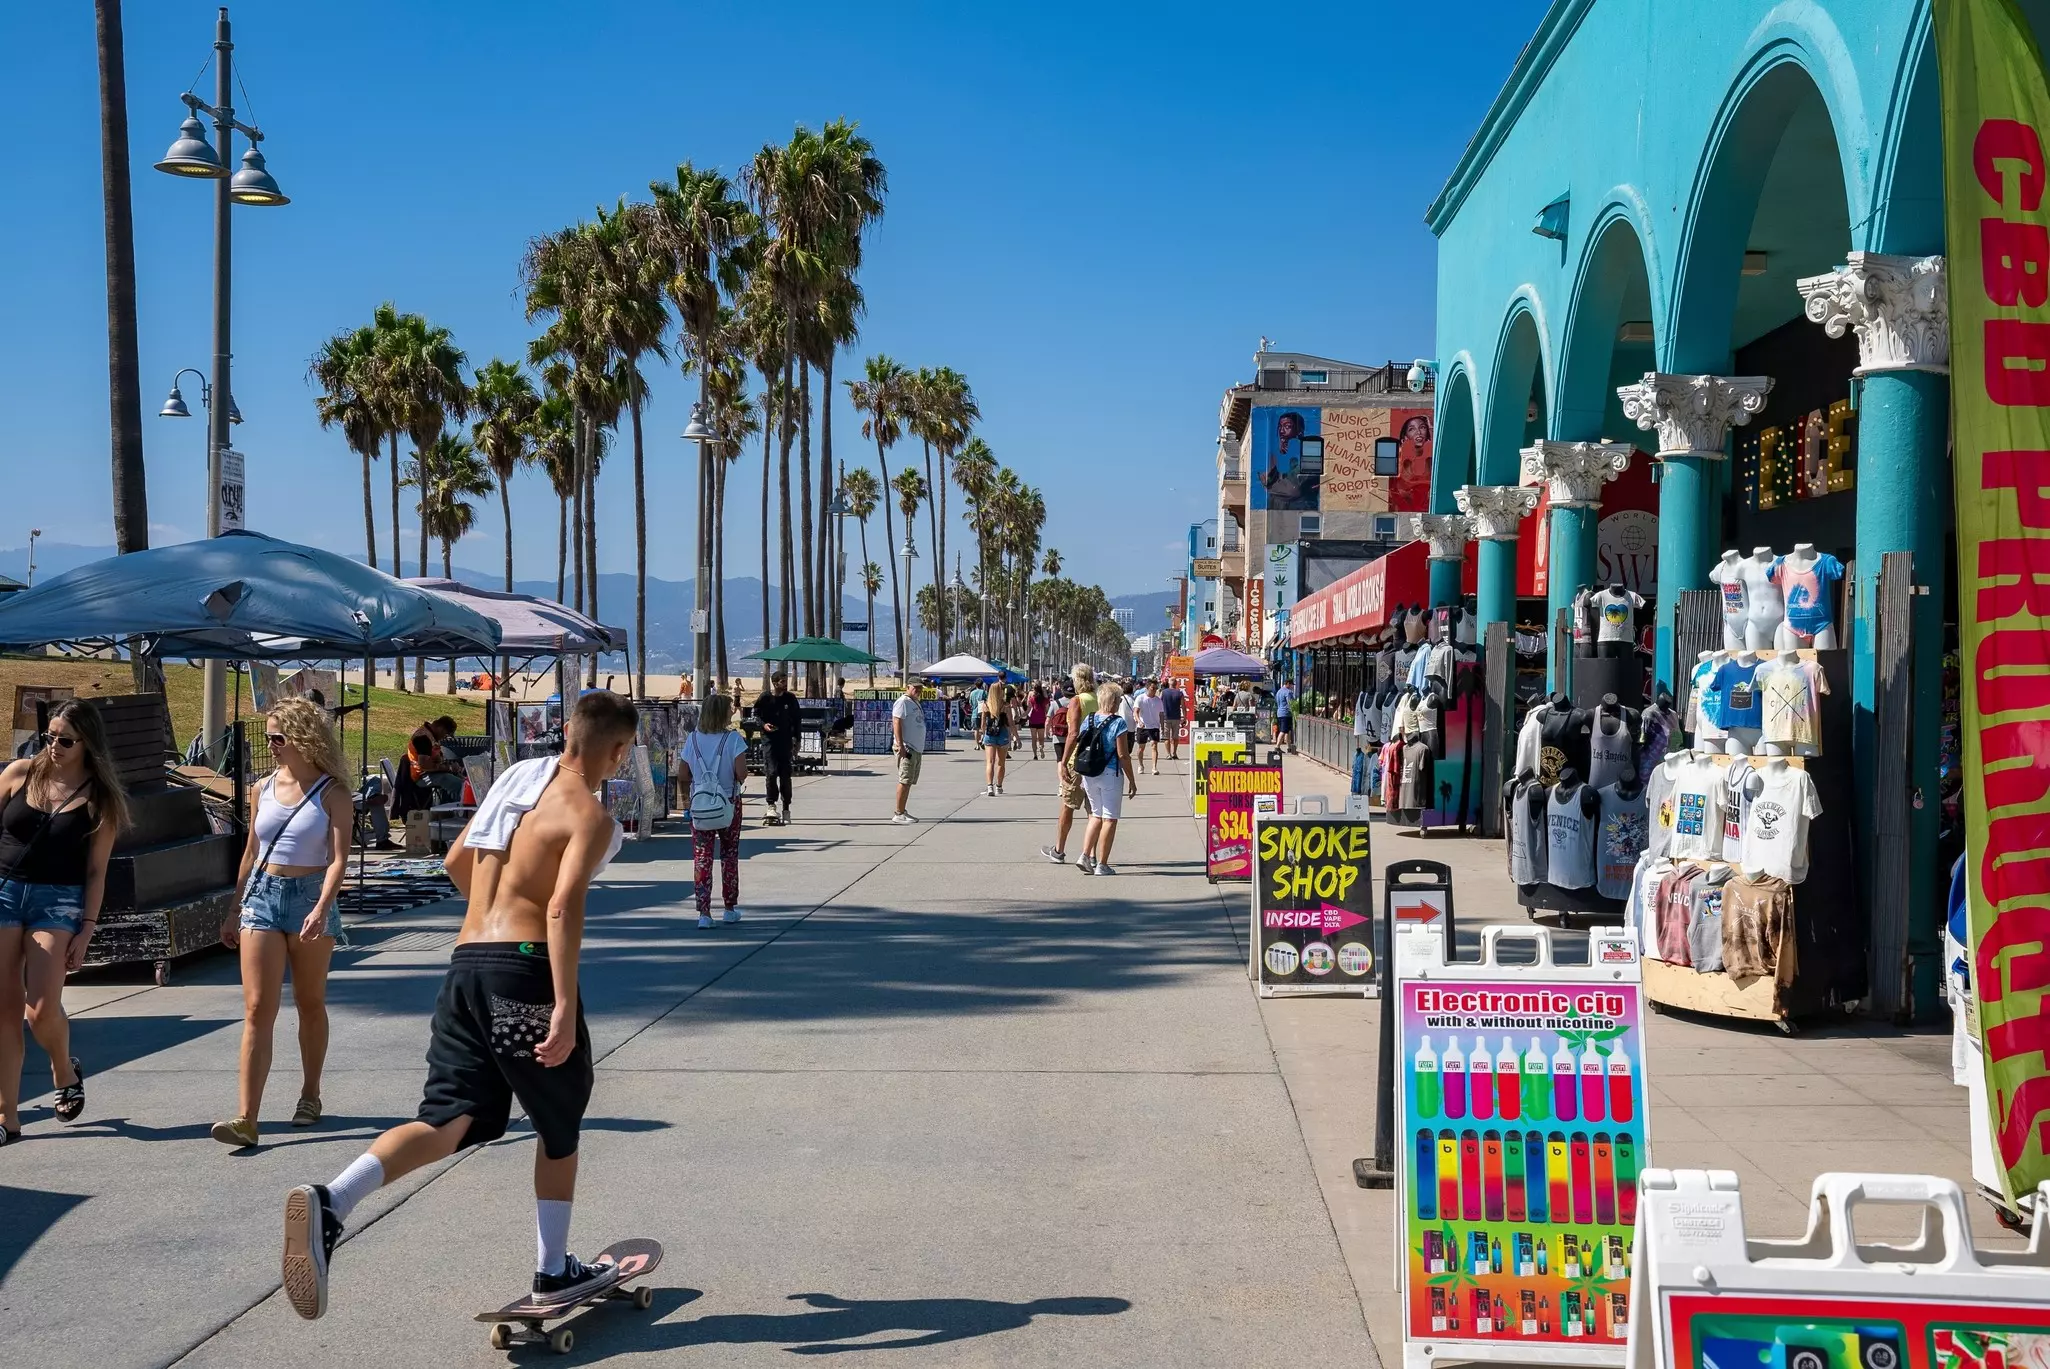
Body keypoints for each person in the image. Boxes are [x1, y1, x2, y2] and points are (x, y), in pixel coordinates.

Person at [282, 691, 637, 1321]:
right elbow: (560, 909)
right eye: (625, 753)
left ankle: (333, 1198)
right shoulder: (591, 814)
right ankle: (553, 1270)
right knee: (560, 1119)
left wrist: (494, 923)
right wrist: (559, 1003)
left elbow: (453, 862)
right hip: (524, 971)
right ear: (615, 750)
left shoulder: (515, 783)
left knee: (451, 1118)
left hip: (467, 964)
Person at [213, 699, 355, 1147]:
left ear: (303, 739)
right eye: (270, 736)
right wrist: (235, 907)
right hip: (262, 899)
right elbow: (252, 851)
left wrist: (321, 906)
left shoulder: (333, 792)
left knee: (310, 1002)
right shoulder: (262, 788)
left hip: (311, 897)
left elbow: (338, 860)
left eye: (278, 737)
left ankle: (310, 1093)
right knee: (257, 1009)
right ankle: (246, 1118)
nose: (271, 745)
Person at [0, 700, 127, 1141]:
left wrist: (86, 930)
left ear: (87, 743)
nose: (54, 746)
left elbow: (96, 872)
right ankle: (7, 1117)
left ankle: (62, 1068)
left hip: (59, 901)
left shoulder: (100, 798)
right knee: (4, 1009)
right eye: (49, 737)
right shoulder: (19, 774)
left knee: (38, 1010)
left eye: (65, 740)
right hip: (4, 891)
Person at [679, 693, 750, 930]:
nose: (733, 711)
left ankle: (704, 912)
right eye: (730, 708)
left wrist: (686, 801)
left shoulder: (693, 740)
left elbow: (682, 775)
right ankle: (729, 907)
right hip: (728, 802)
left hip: (700, 805)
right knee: (729, 855)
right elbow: (741, 773)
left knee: (702, 857)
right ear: (722, 713)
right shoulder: (733, 739)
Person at [1074, 682, 1137, 876]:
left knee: (1095, 814)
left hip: (1090, 772)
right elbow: (1123, 754)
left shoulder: (1089, 720)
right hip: (1110, 773)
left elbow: (1080, 743)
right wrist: (1132, 780)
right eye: (1118, 699)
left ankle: (1085, 855)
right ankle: (1102, 863)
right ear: (1114, 701)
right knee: (1110, 818)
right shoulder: (1118, 723)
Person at [1040, 665, 1098, 865]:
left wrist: (1063, 761)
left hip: (1078, 759)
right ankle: (1091, 853)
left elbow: (1073, 733)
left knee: (1068, 805)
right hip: (1097, 761)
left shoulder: (1077, 701)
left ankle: (1059, 850)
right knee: (1094, 809)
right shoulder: (1099, 699)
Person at [753, 671, 802, 826]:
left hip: (786, 741)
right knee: (771, 773)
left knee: (786, 776)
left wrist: (798, 740)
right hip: (769, 741)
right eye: (782, 681)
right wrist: (763, 725)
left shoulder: (791, 699)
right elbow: (756, 715)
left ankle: (786, 806)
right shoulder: (765, 698)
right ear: (774, 683)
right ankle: (771, 805)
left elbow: (797, 720)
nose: (785, 684)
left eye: (785, 681)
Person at [891, 679, 925, 824]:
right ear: (907, 687)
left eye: (920, 688)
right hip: (907, 747)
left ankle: (903, 810)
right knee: (904, 780)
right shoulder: (903, 702)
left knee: (909, 780)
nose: (918, 690)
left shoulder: (914, 702)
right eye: (915, 688)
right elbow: (896, 721)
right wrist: (900, 745)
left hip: (916, 747)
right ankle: (898, 813)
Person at [979, 682, 1013, 797]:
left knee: (990, 762)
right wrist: (1015, 737)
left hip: (990, 734)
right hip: (1002, 734)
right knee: (1001, 763)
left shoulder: (985, 705)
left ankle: (990, 787)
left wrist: (983, 733)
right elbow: (1010, 723)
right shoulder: (1005, 705)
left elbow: (983, 723)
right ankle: (999, 786)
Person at [1133, 681, 1166, 776]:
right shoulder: (1140, 698)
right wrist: (1139, 721)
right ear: (1147, 688)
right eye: (1153, 688)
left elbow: (1161, 714)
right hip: (1142, 726)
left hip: (1154, 726)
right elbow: (1136, 712)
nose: (1155, 690)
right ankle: (1140, 765)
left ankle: (1154, 767)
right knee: (1141, 748)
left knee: (1154, 745)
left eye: (1156, 688)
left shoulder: (1158, 700)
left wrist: (1162, 726)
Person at [1160, 676, 1185, 761]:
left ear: (1168, 683)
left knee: (1166, 737)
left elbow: (1159, 704)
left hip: (1166, 717)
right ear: (1176, 683)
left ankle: (1168, 754)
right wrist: (1184, 717)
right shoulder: (1180, 693)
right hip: (1176, 717)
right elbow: (1183, 706)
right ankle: (1174, 753)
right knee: (1175, 737)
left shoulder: (1163, 692)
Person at [1026, 685, 1050, 760]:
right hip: (1041, 719)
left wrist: (1021, 716)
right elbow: (1047, 711)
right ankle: (1041, 747)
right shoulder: (1045, 700)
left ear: (1034, 690)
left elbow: (1028, 710)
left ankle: (1035, 755)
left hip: (1033, 719)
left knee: (1034, 739)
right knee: (1041, 738)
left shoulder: (1032, 699)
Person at [1274, 679, 1297, 748]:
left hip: (1279, 713)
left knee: (1287, 731)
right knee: (1283, 730)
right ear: (1287, 684)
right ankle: (1277, 747)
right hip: (1286, 713)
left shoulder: (1279, 691)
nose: (1292, 686)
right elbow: (1291, 703)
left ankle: (1289, 747)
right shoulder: (1288, 692)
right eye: (1291, 685)